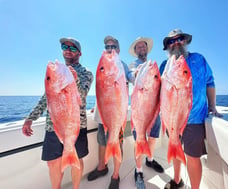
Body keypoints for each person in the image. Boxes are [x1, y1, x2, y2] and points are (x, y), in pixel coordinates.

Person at [22, 37, 93, 189]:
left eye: (73, 48)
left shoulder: (86, 73)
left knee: (76, 160)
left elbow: (82, 95)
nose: (68, 50)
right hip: (53, 125)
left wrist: (75, 80)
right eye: (64, 46)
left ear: (79, 53)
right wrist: (30, 118)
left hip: (76, 125)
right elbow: (46, 97)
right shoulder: (58, 72)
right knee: (53, 162)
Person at [160, 29, 223, 189]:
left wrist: (212, 106)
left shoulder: (199, 59)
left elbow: (210, 82)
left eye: (179, 39)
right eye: (171, 41)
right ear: (167, 46)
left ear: (185, 41)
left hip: (194, 118)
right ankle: (176, 180)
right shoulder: (163, 66)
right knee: (175, 149)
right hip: (170, 117)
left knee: (192, 157)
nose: (175, 43)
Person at [87, 35, 129, 189]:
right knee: (101, 141)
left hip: (116, 113)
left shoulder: (122, 65)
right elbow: (100, 87)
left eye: (113, 46)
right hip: (102, 111)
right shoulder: (102, 63)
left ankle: (116, 175)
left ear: (118, 49)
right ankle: (101, 167)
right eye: (107, 47)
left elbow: (131, 77)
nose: (110, 49)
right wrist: (95, 104)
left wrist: (137, 74)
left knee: (117, 142)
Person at [128, 37, 164, 189]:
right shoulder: (133, 65)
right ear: (135, 51)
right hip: (140, 111)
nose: (142, 48)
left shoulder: (152, 65)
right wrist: (136, 74)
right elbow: (131, 76)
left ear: (147, 49)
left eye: (144, 46)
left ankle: (149, 159)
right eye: (139, 47)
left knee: (154, 137)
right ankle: (139, 170)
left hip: (154, 109)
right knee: (139, 139)